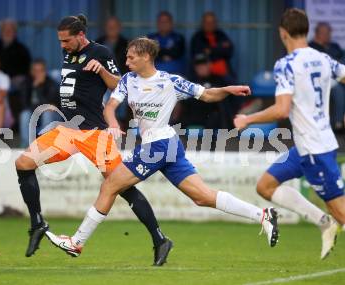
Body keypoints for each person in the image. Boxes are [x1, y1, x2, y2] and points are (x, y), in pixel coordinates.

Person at [46, 37, 279, 259]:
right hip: (165, 146)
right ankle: (262, 215)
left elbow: (206, 94)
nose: (126, 63)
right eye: (126, 58)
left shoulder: (170, 81)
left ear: (146, 56)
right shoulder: (128, 80)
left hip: (160, 144)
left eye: (131, 58)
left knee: (110, 185)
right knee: (202, 197)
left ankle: (77, 242)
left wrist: (228, 89)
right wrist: (114, 123)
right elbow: (110, 107)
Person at [14, 15, 173, 266]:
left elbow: (121, 84)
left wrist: (101, 70)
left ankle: (160, 239)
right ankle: (37, 223)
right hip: (68, 131)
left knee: (121, 186)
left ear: (80, 36)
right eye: (60, 41)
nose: (62, 45)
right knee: (23, 163)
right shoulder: (69, 52)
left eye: (66, 40)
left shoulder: (100, 52)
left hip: (94, 133)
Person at [234, 8, 345, 259]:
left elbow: (282, 110)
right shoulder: (323, 58)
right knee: (265, 186)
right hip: (305, 147)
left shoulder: (286, 64)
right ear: (306, 30)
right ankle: (323, 222)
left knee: (342, 213)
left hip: (315, 149)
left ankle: (332, 220)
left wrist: (248, 119)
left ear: (283, 33)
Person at [309, 22, 345, 131]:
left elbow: (342, 61)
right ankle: (338, 123)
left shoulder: (335, 46)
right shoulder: (310, 47)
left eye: (329, 33)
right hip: (320, 79)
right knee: (338, 89)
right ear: (317, 34)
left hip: (339, 76)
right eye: (325, 33)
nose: (328, 35)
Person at [18, 59, 61, 148]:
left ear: (45, 71)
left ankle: (45, 144)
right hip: (32, 114)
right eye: (35, 71)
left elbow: (53, 106)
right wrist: (34, 87)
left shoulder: (51, 84)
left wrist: (38, 89)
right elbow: (24, 105)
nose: (38, 73)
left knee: (47, 114)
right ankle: (28, 145)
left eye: (41, 70)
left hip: (51, 117)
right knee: (24, 114)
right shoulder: (26, 83)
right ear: (31, 71)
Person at [190, 12, 234, 83]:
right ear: (202, 23)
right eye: (207, 22)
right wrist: (219, 48)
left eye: (212, 22)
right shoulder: (197, 37)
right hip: (203, 71)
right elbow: (199, 54)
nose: (209, 24)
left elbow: (229, 52)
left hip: (223, 71)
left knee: (232, 86)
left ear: (216, 23)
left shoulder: (221, 35)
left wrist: (210, 50)